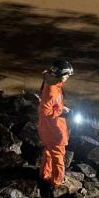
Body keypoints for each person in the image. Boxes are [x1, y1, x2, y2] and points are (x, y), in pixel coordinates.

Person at [38, 60, 73, 188]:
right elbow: (45, 110)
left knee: (48, 151)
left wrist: (61, 108)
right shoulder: (52, 90)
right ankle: (57, 182)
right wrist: (61, 111)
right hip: (54, 130)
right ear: (59, 74)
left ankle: (44, 174)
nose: (68, 77)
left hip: (46, 128)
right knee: (58, 157)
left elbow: (51, 104)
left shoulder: (51, 83)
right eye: (67, 74)